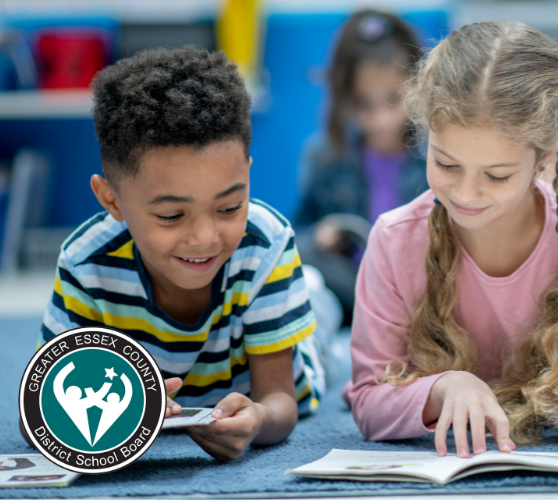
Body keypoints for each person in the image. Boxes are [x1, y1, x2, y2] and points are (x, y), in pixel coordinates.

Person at [343, 21, 558, 462]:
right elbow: (367, 401)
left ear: (545, 157)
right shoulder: (393, 238)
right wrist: (444, 388)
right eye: (446, 163)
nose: (464, 194)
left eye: (497, 175)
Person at [36, 47, 334, 461]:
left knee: (320, 329)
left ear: (247, 171)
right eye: (172, 215)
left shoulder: (265, 243)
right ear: (112, 200)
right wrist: (126, 413)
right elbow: (38, 411)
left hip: (291, 357)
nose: (204, 237)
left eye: (229, 207)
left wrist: (259, 421)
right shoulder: (86, 265)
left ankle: (316, 298)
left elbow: (281, 399)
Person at [294, 10, 428, 324]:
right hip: (349, 304)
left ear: (417, 85)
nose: (381, 119)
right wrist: (320, 237)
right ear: (344, 99)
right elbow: (294, 242)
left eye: (393, 99)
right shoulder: (324, 155)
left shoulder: (439, 155)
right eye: (364, 104)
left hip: (421, 303)